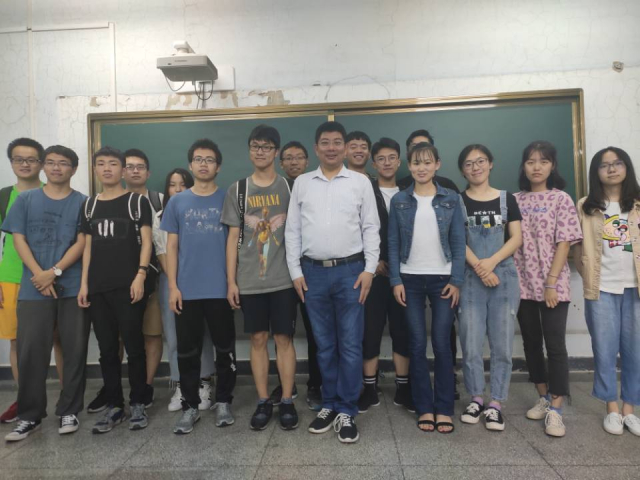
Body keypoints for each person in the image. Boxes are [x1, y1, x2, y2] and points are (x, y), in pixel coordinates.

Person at [285, 121, 380, 444]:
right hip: (312, 273)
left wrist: (369, 270)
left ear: (345, 147)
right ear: (316, 148)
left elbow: (371, 227)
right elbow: (293, 230)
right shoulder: (302, 183)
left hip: (351, 272)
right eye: (325, 142)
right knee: (324, 345)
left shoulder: (360, 182)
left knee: (350, 344)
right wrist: (295, 271)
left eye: (337, 142)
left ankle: (347, 409)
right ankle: (329, 403)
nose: (331, 148)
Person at [3, 145, 89, 441]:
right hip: (33, 287)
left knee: (74, 350)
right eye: (50, 162)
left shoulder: (83, 202)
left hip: (71, 285)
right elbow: (18, 238)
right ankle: (29, 416)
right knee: (30, 352)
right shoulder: (25, 200)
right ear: (43, 167)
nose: (56, 168)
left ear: (73, 169)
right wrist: (39, 274)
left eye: (63, 163)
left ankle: (69, 410)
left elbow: (82, 242)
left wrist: (54, 271)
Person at [222, 125, 299, 431]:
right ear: (249, 150)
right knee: (257, 339)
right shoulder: (238, 190)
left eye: (267, 147)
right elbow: (232, 238)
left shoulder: (290, 188)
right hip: (250, 280)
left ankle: (288, 399)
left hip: (284, 280)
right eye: (255, 146)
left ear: (276, 152)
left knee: (283, 339)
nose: (260, 152)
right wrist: (231, 281)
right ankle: (264, 400)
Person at [388, 142, 465, 434]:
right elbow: (393, 242)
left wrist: (456, 280)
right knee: (417, 344)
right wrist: (395, 280)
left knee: (442, 344)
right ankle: (424, 407)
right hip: (409, 279)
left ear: (437, 164)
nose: (422, 168)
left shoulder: (451, 199)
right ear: (409, 166)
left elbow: (458, 241)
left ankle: (443, 407)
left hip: (443, 279)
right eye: (416, 163)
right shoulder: (399, 200)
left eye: (427, 162)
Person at [162, 139, 236, 434]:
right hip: (187, 290)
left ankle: (224, 401)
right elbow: (171, 246)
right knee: (187, 352)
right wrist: (173, 286)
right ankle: (190, 406)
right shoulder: (178, 202)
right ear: (191, 165)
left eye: (209, 159)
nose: (203, 164)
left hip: (220, 288)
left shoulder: (228, 198)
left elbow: (233, 244)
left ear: (218, 166)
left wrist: (232, 283)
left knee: (225, 349)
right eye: (198, 159)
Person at [78, 146, 152, 434]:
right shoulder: (89, 206)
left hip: (128, 285)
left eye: (112, 163)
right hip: (98, 288)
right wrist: (84, 283)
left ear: (123, 170)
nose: (107, 168)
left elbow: (147, 242)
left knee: (134, 347)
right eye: (101, 164)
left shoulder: (136, 202)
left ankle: (138, 403)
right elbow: (87, 247)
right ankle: (115, 405)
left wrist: (140, 275)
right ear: (95, 169)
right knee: (107, 350)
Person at [513, 140, 582, 438]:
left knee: (555, 345)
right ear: (524, 166)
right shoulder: (514, 200)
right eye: (531, 161)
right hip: (521, 284)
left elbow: (564, 243)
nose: (536, 167)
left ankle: (557, 407)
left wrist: (551, 282)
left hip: (553, 284)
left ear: (552, 165)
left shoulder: (561, 199)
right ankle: (542, 396)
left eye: (543, 161)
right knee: (531, 343)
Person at [456, 144, 522, 432]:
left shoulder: (508, 199)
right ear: (462, 170)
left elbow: (516, 238)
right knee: (470, 343)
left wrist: (492, 263)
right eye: (469, 163)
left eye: (480, 161)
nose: (476, 167)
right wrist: (481, 268)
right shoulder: (457, 201)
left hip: (504, 277)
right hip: (471, 278)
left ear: (491, 163)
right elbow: (457, 240)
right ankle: (476, 398)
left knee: (502, 344)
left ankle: (495, 403)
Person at [575, 147, 640, 437]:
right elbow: (578, 246)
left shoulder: (638, 202)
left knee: (636, 351)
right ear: (596, 172)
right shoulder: (586, 205)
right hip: (601, 288)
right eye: (604, 165)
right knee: (604, 349)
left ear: (627, 167)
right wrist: (588, 273)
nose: (612, 169)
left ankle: (629, 410)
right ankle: (611, 408)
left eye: (617, 163)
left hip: (635, 287)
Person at [0, 137, 62, 424]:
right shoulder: (4, 197)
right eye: (18, 159)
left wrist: (53, 273)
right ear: (11, 162)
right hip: (12, 278)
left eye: (31, 159)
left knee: (60, 339)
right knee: (17, 342)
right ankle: (24, 400)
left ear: (41, 163)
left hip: (54, 276)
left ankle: (67, 400)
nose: (24, 164)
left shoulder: (57, 192)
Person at [152, 168, 217, 412]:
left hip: (201, 281)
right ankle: (181, 384)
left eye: (183, 184)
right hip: (171, 282)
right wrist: (175, 283)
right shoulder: (160, 215)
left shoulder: (201, 212)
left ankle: (204, 382)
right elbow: (162, 251)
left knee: (203, 334)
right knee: (174, 334)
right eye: (172, 184)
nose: (177, 189)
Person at [357, 137, 412, 414]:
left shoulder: (410, 192)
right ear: (373, 163)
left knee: (403, 329)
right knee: (370, 330)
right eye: (381, 159)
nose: (387, 163)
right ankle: (369, 388)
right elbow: (354, 228)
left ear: (399, 162)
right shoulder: (363, 191)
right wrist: (373, 261)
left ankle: (403, 387)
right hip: (374, 274)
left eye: (392, 158)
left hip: (405, 274)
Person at [268, 141, 322, 412]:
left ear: (307, 161)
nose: (294, 162)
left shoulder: (315, 186)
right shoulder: (274, 188)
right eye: (288, 158)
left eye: (299, 157)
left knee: (315, 331)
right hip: (279, 271)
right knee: (282, 333)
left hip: (311, 270)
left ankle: (316, 384)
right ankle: (285, 384)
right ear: (281, 163)